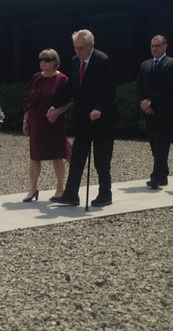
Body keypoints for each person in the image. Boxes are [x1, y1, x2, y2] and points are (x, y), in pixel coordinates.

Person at [48, 29, 118, 207]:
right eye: (75, 47)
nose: (78, 51)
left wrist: (99, 108)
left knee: (101, 160)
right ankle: (71, 194)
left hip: (101, 119)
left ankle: (105, 194)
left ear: (91, 46)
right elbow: (69, 90)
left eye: (81, 48)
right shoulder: (74, 62)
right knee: (77, 157)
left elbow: (109, 90)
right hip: (83, 120)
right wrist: (55, 106)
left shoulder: (102, 61)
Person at [21, 48, 69, 201]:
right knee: (35, 156)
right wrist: (25, 119)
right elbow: (29, 100)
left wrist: (57, 112)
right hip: (36, 122)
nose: (43, 62)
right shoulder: (37, 78)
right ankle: (33, 189)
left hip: (54, 123)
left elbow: (68, 101)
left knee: (57, 156)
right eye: (41, 59)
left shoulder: (62, 79)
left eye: (47, 60)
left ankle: (60, 188)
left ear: (55, 62)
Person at [136, 35, 173, 188]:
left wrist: (151, 101)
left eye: (157, 45)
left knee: (162, 143)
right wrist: (143, 102)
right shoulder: (145, 65)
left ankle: (156, 176)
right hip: (149, 111)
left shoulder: (172, 63)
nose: (154, 48)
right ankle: (163, 173)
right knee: (154, 144)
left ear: (165, 46)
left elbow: (168, 87)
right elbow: (140, 85)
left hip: (164, 110)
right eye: (152, 46)